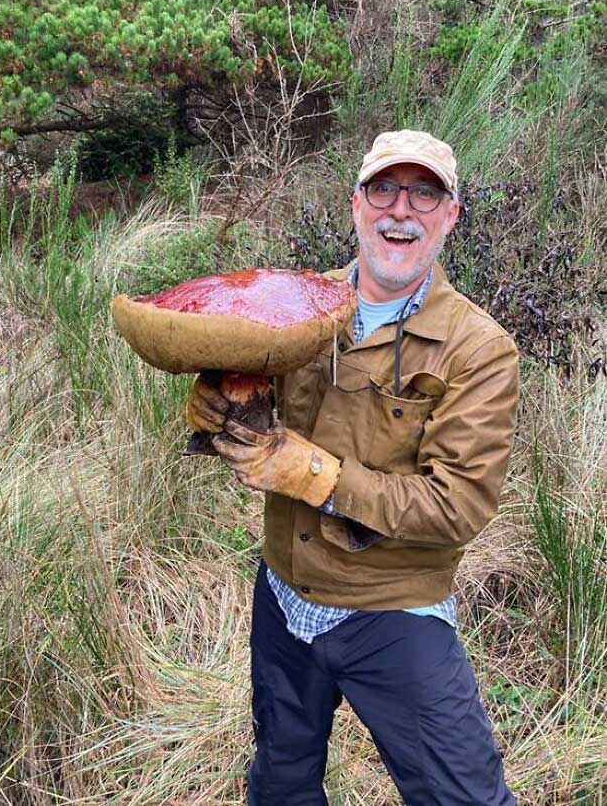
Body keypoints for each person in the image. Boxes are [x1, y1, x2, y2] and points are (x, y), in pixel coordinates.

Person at [186, 129, 519, 806]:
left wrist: (313, 472)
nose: (402, 209)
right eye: (385, 189)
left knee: (464, 795)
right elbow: (253, 407)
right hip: (283, 592)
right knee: (281, 780)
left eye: (425, 193)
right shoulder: (297, 307)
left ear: (451, 215)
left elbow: (456, 506)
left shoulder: (478, 349)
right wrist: (224, 405)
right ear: (356, 204)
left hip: (392, 607)